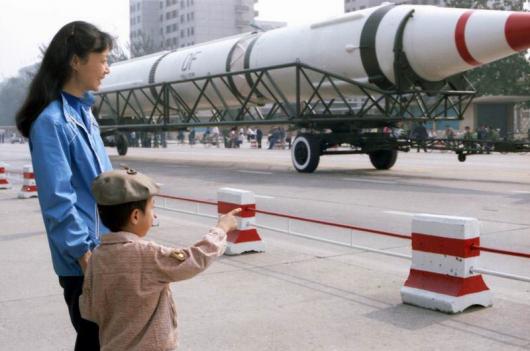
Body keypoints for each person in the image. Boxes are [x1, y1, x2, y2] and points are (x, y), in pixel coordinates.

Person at [15, 21, 113, 350]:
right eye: (102, 60)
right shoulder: (52, 122)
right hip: (83, 260)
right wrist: (83, 255)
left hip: (106, 251)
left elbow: (98, 184)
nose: (107, 69)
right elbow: (58, 199)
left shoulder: (85, 114)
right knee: (95, 342)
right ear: (76, 61)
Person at [79, 169, 241, 351]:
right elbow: (194, 259)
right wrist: (221, 228)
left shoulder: (97, 257)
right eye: (152, 208)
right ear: (135, 216)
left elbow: (89, 310)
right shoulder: (147, 254)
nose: (154, 215)